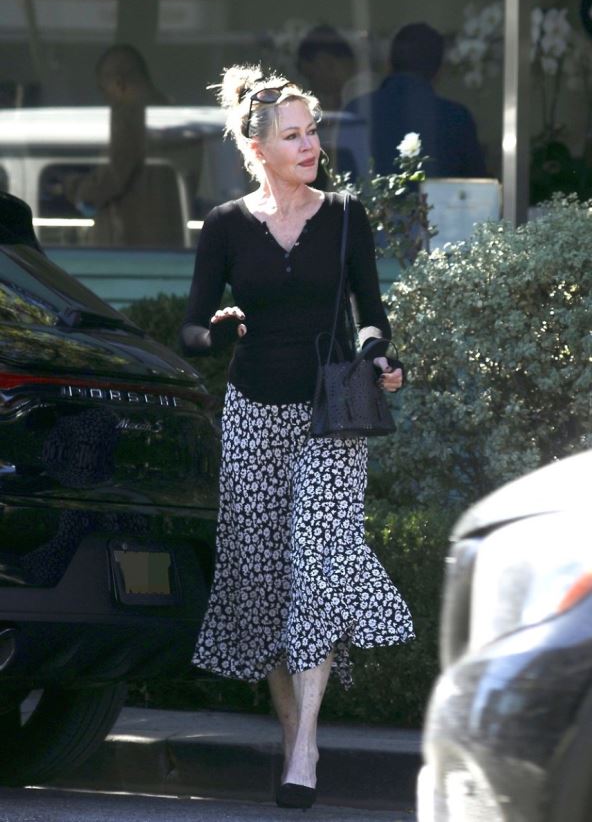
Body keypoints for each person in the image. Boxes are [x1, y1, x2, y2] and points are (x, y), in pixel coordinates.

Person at [181, 64, 414, 810]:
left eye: (313, 132)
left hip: (328, 416)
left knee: (316, 563)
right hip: (253, 413)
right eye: (294, 135)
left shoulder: (345, 215)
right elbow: (190, 329)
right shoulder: (224, 225)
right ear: (257, 149)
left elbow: (371, 314)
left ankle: (306, 745)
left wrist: (378, 356)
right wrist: (217, 330)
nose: (311, 145)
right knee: (264, 580)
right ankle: (292, 742)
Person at [63, 44, 183, 248]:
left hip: (129, 242)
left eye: (103, 90)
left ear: (119, 83)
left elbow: (112, 177)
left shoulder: (129, 114)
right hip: (170, 239)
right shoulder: (173, 115)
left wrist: (75, 188)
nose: (105, 99)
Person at [338, 22, 487, 179]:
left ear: (388, 63)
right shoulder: (456, 118)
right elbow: (475, 186)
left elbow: (344, 179)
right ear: (439, 71)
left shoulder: (356, 112)